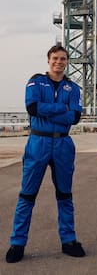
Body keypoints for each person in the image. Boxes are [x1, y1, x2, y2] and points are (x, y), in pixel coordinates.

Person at [5, 45, 85, 263]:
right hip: (38, 142)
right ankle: (17, 243)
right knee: (27, 194)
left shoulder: (73, 88)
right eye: (55, 58)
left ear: (67, 62)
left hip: (63, 144)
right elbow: (32, 108)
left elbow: (75, 118)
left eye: (63, 59)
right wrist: (62, 109)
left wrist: (47, 109)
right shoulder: (36, 82)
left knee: (65, 195)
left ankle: (69, 240)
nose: (59, 62)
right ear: (48, 60)